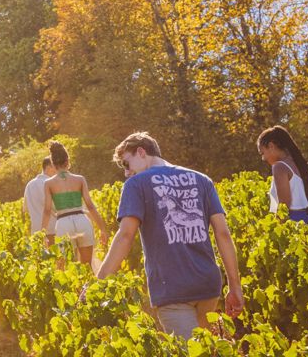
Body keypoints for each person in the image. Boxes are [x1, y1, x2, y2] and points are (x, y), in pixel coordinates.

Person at [96, 131, 244, 340]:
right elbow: (223, 234)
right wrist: (235, 286)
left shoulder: (136, 184)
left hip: (172, 287)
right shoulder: (202, 180)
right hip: (208, 285)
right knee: (206, 347)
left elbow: (126, 236)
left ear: (141, 152)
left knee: (190, 350)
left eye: (126, 164)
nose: (127, 173)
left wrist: (99, 283)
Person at [41, 140, 108, 264]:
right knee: (87, 266)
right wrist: (102, 229)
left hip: (63, 224)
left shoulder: (49, 183)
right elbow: (90, 206)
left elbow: (47, 210)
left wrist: (42, 234)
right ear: (67, 161)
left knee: (63, 267)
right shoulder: (80, 179)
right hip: (82, 221)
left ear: (53, 164)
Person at [257, 125, 308, 222]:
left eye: (262, 153)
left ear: (271, 146)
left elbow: (283, 208)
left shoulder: (279, 167)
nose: (263, 158)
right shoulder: (305, 165)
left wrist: (274, 226)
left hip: (295, 222)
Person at [23, 156, 57, 237]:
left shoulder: (29, 184)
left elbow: (25, 209)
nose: (57, 171)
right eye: (55, 167)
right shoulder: (51, 184)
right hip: (52, 229)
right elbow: (56, 207)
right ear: (48, 168)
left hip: (36, 232)